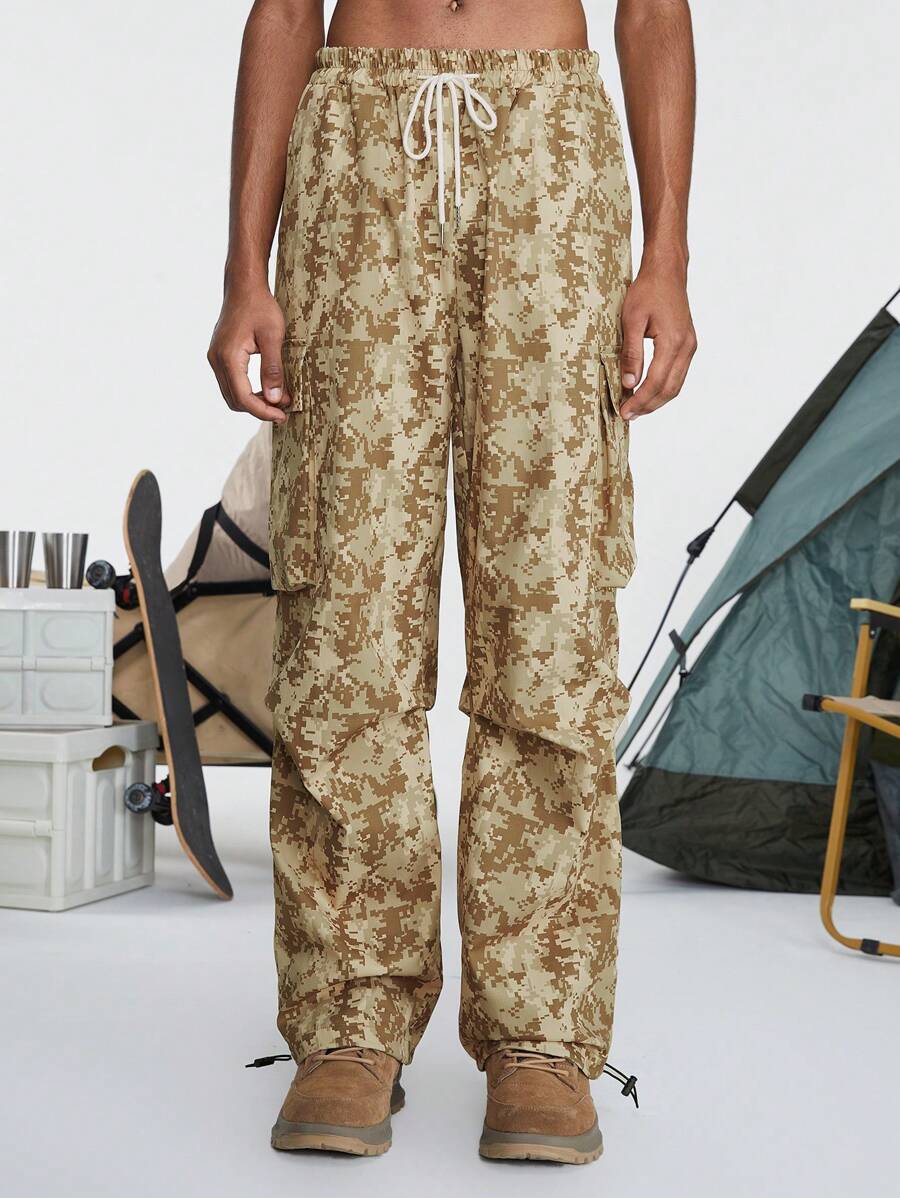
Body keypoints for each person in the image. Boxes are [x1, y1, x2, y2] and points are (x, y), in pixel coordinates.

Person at [208, 0, 696, 1166]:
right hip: (357, 140)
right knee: (346, 602)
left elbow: (654, 9)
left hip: (551, 147)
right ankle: (349, 1018)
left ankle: (539, 1036)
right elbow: (285, 9)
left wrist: (667, 256)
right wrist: (243, 270)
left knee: (551, 597)